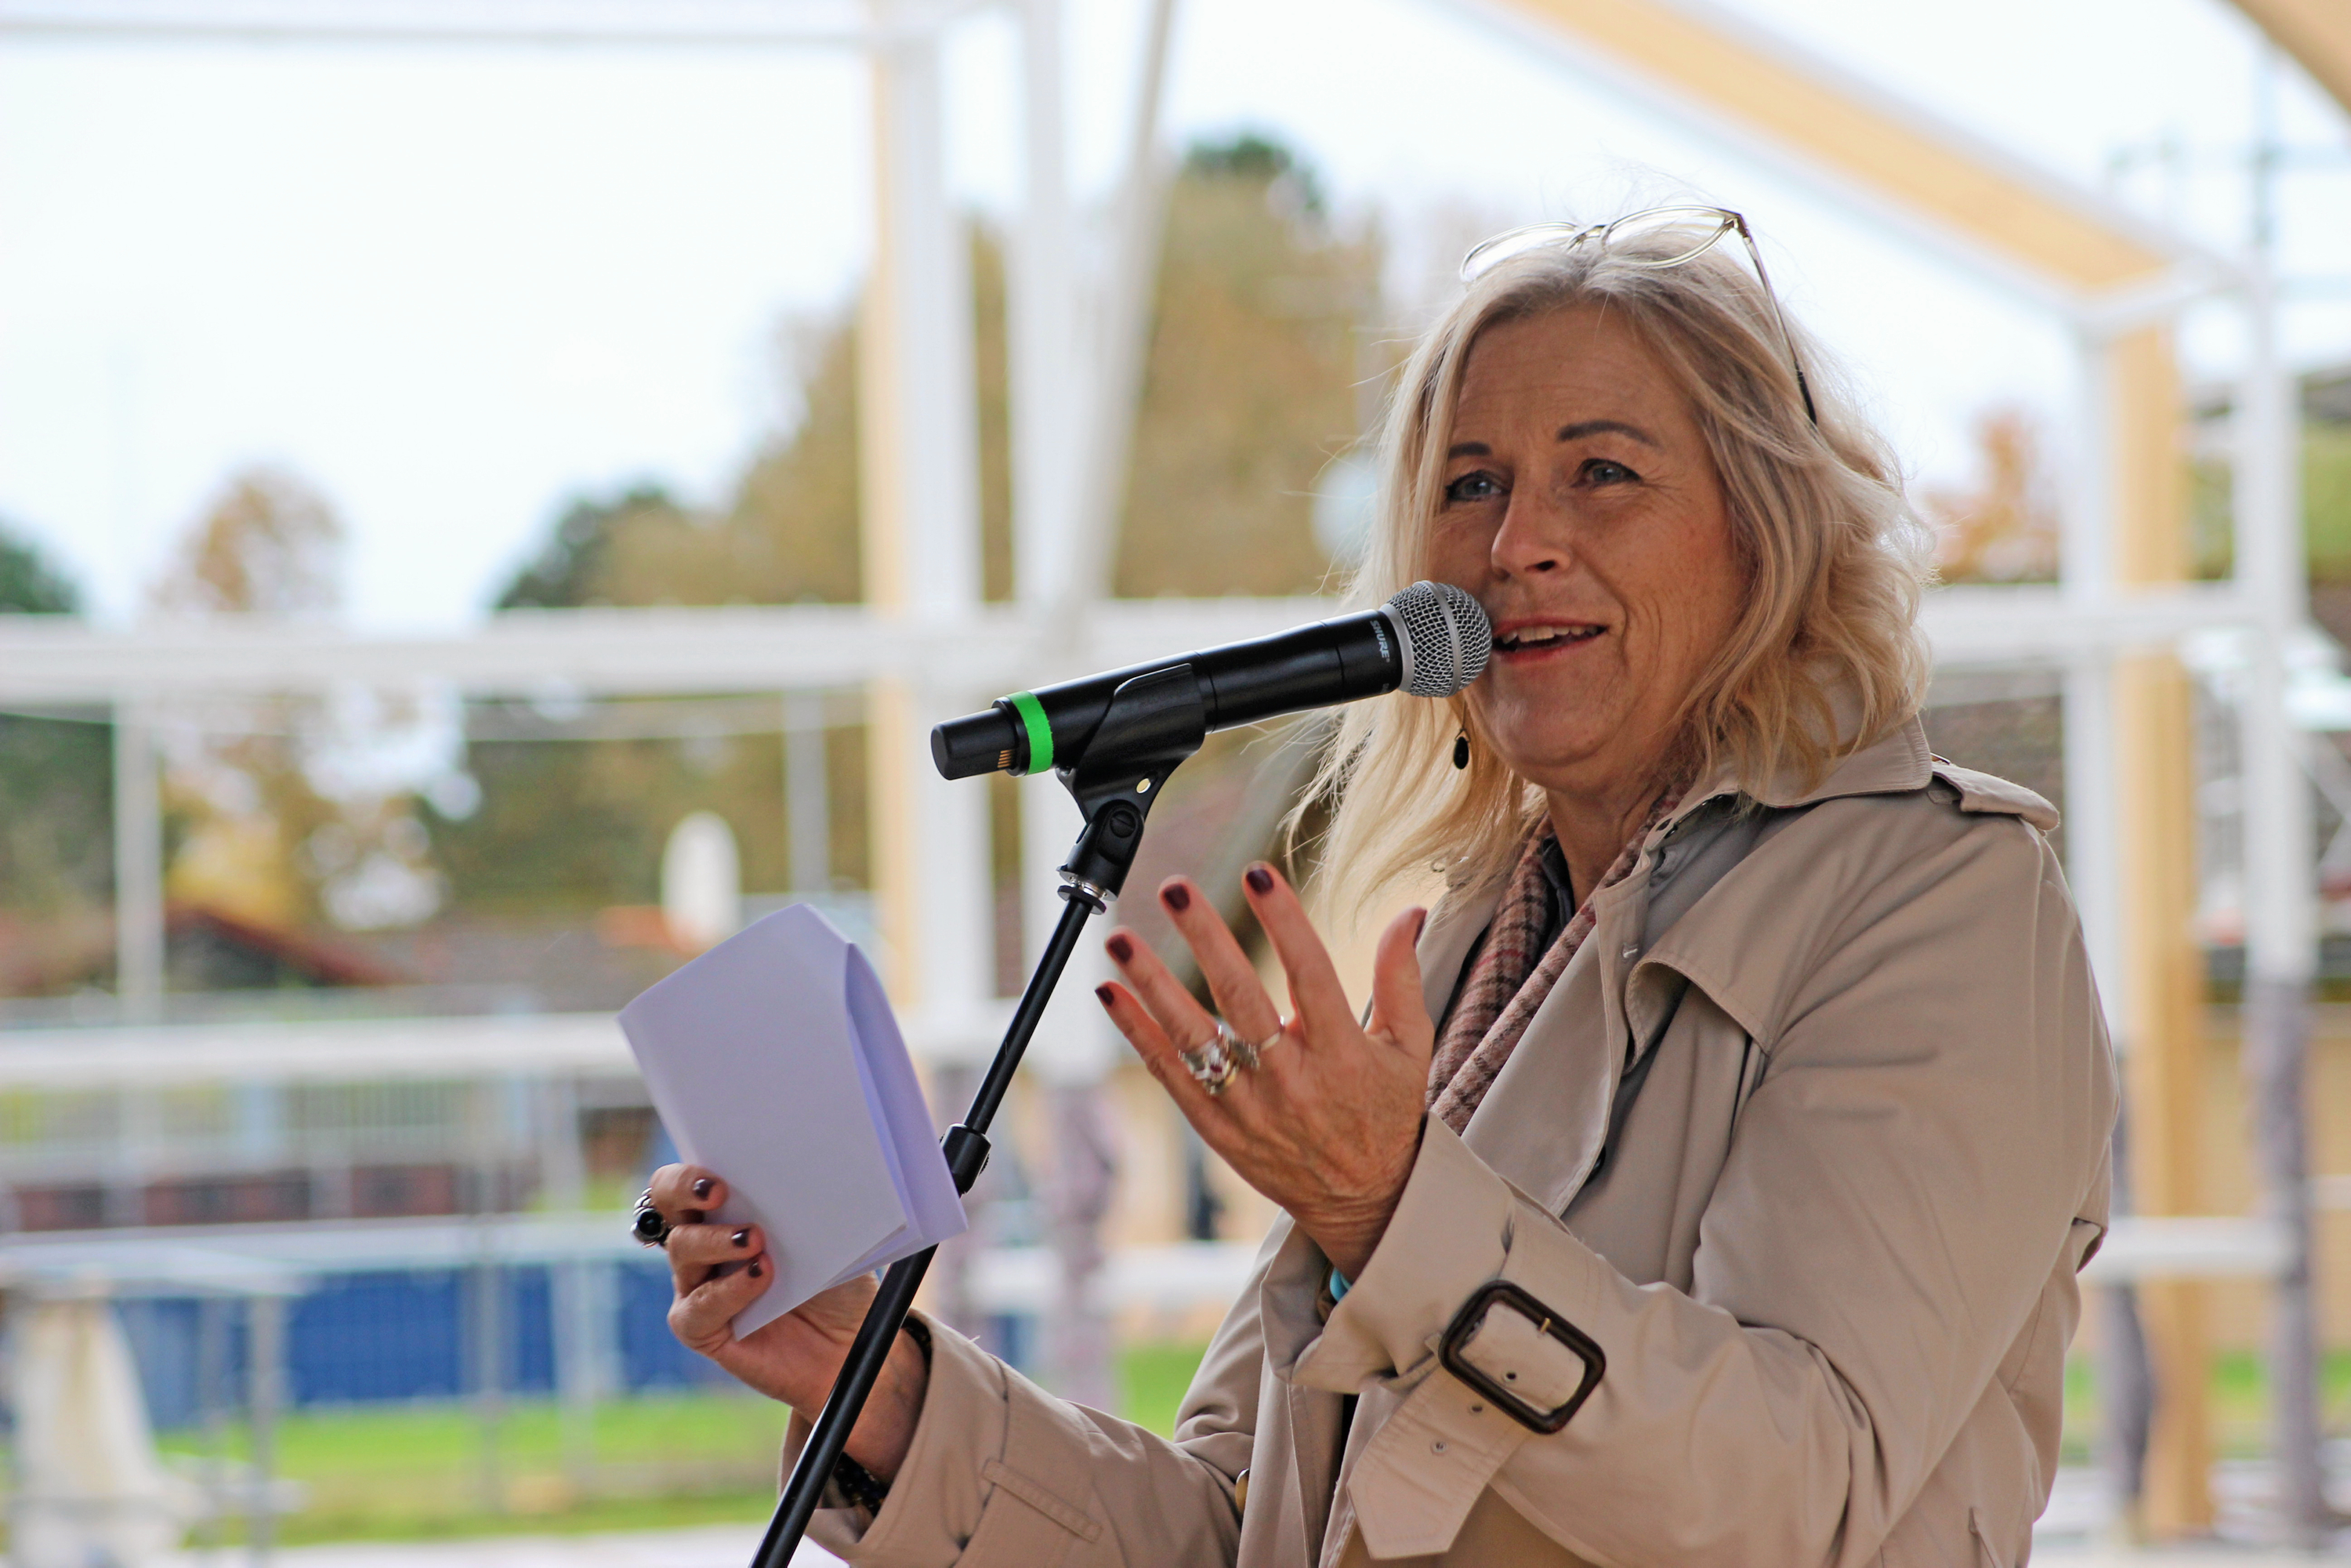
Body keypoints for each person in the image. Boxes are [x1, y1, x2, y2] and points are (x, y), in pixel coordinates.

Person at [642, 205, 2117, 1566]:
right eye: (1470, 483)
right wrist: (881, 1390)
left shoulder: (1944, 897)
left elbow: (1806, 1490)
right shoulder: (1476, 940)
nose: (1514, 541)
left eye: (1602, 472)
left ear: (1765, 529)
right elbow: (1241, 1525)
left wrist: (1393, 1211)